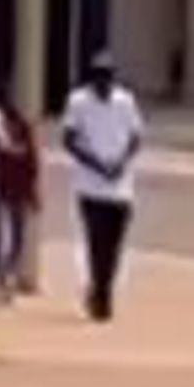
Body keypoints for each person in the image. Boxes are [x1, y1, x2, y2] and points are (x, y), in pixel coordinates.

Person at [59, 50, 147, 325]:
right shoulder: (78, 101)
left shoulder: (125, 101)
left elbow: (136, 136)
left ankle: (101, 288)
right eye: (99, 76)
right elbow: (68, 140)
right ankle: (101, 296)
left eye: (108, 76)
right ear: (92, 78)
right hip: (90, 187)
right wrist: (96, 164)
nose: (104, 82)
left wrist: (121, 162)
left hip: (121, 187)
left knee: (114, 245)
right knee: (96, 243)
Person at [0, 83, 43, 299]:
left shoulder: (22, 126)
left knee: (16, 235)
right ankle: (0, 277)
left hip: (16, 187)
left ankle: (7, 272)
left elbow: (31, 161)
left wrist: (33, 190)